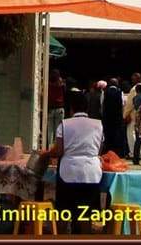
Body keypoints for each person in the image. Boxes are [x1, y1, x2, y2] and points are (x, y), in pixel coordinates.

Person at [45, 90, 103, 234]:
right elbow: (99, 150)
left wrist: (45, 154)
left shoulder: (64, 124)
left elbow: (59, 151)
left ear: (71, 108)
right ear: (87, 107)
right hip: (92, 174)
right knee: (85, 215)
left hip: (68, 174)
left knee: (64, 214)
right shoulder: (99, 125)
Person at [102, 78, 126, 156]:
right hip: (117, 118)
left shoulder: (104, 92)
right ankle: (117, 153)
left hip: (107, 118)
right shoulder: (120, 92)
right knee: (117, 135)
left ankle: (107, 152)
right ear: (117, 84)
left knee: (108, 135)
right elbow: (122, 105)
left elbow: (102, 104)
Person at [124, 83, 141, 165]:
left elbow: (131, 106)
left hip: (138, 119)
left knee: (138, 139)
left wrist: (125, 115)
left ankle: (135, 158)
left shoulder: (135, 98)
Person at [123, 73, 141, 159]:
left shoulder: (134, 89)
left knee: (131, 133)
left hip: (134, 113)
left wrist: (125, 114)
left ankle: (133, 153)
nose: (132, 81)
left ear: (137, 79)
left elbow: (130, 103)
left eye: (133, 79)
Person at [48, 69, 66, 148]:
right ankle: (56, 147)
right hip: (60, 108)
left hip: (50, 108)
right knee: (58, 129)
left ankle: (49, 146)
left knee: (50, 129)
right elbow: (65, 92)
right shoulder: (61, 85)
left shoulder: (48, 83)